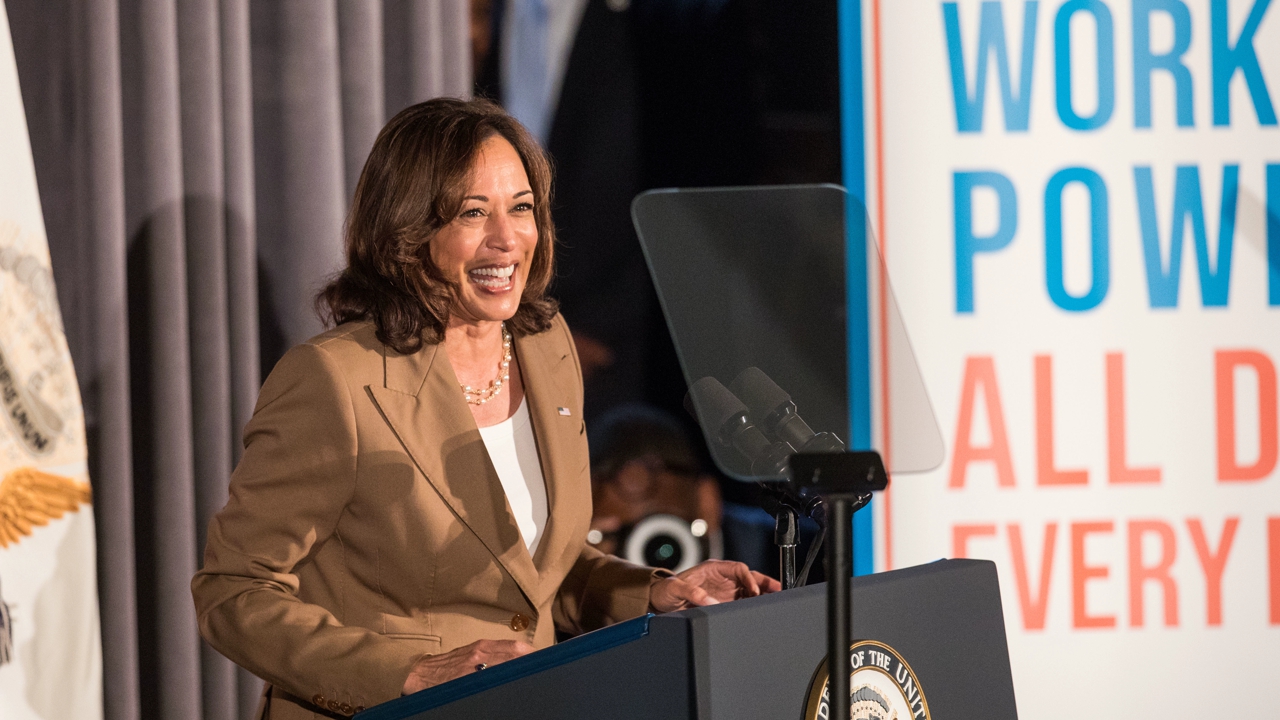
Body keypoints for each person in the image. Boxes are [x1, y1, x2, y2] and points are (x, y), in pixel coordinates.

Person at [191, 97, 779, 719]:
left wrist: (658, 594)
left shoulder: (545, 344)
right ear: (408, 232)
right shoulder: (336, 379)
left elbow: (537, 571)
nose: (507, 239)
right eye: (474, 213)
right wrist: (411, 673)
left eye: (521, 208)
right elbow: (233, 591)